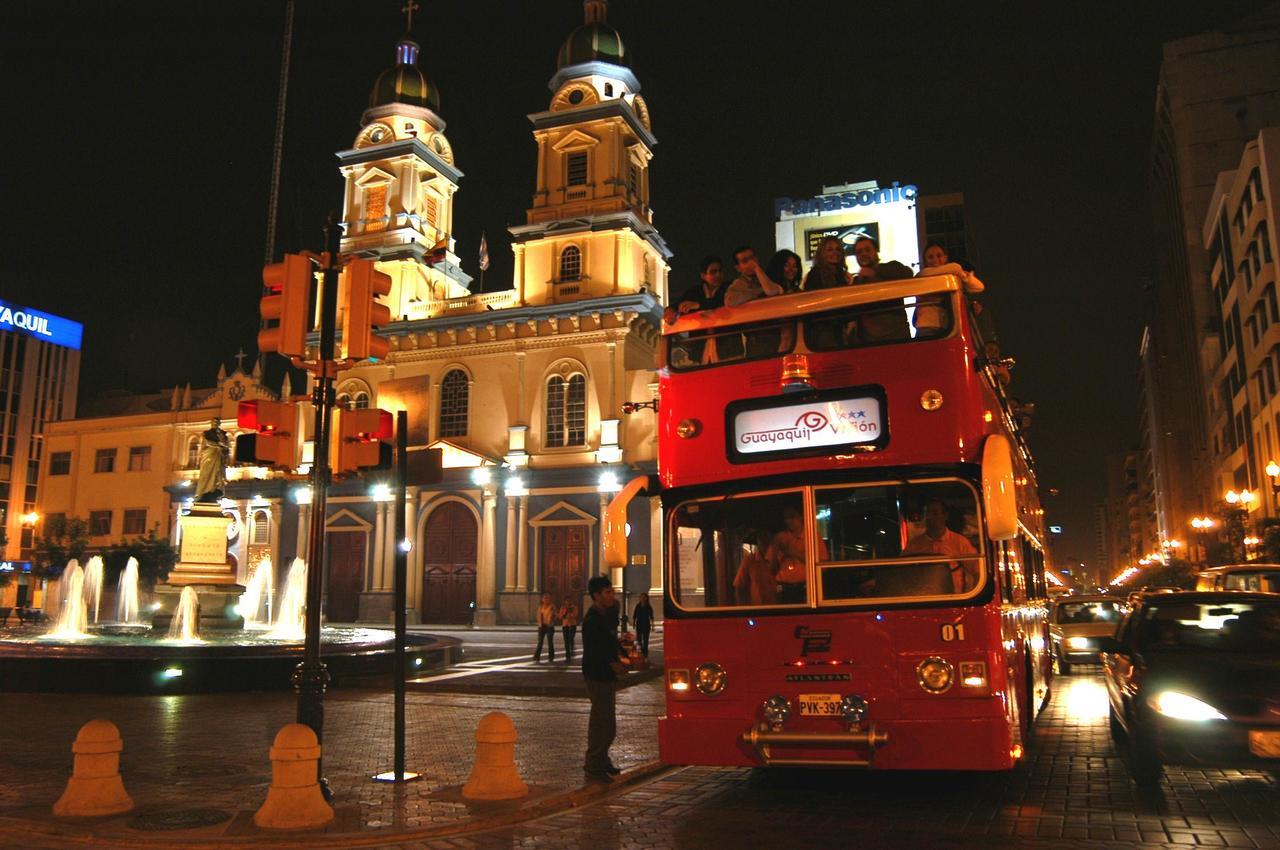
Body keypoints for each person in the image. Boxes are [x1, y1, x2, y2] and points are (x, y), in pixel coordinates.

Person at [582, 575, 627, 781]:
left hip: (605, 674)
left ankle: (602, 759)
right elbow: (596, 650)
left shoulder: (604, 616)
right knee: (601, 722)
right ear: (596, 596)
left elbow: (609, 642)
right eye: (608, 592)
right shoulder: (592, 620)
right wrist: (613, 663)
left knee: (608, 723)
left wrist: (621, 648)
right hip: (597, 674)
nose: (612, 595)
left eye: (612, 591)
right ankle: (594, 764)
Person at [904, 498, 978, 593]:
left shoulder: (960, 542)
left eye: (934, 513)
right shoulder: (915, 544)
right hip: (924, 597)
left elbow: (977, 571)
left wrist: (970, 598)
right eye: (927, 513)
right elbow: (904, 571)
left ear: (945, 516)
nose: (930, 517)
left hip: (954, 599)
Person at [664, 255, 727, 323]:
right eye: (713, 272)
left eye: (720, 271)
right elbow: (680, 304)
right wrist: (671, 309)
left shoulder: (730, 287)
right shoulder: (694, 291)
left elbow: (722, 301)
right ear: (703, 276)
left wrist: (698, 305)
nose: (718, 274)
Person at [732, 529, 778, 605]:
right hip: (757, 610)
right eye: (761, 538)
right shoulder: (749, 561)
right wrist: (742, 609)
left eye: (767, 537)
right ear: (758, 541)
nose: (764, 541)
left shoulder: (780, 559)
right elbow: (739, 586)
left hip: (779, 609)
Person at [195, 417, 231, 502]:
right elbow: (207, 442)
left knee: (217, 473)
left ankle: (215, 489)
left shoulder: (222, 434)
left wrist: (223, 444)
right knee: (207, 474)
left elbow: (227, 446)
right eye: (214, 422)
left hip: (219, 456)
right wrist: (219, 444)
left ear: (219, 424)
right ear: (211, 423)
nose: (215, 424)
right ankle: (204, 491)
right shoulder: (207, 433)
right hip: (210, 456)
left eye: (217, 422)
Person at [533, 593, 557, 662]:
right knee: (540, 642)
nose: (546, 599)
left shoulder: (552, 606)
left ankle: (551, 657)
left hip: (549, 626)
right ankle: (537, 656)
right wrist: (539, 623)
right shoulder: (540, 607)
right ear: (542, 599)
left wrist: (552, 619)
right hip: (542, 626)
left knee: (550, 642)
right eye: (545, 598)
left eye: (548, 598)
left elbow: (555, 615)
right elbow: (538, 615)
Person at [560, 596, 580, 662]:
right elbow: (560, 616)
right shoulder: (562, 608)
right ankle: (567, 656)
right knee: (566, 641)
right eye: (567, 601)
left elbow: (575, 615)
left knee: (570, 639)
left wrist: (570, 612)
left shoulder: (574, 608)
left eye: (569, 601)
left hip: (572, 625)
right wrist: (565, 612)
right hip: (565, 625)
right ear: (565, 602)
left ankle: (571, 649)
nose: (568, 602)